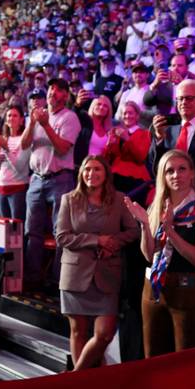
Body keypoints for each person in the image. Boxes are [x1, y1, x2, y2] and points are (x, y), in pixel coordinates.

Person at [125, 149, 195, 357]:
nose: (176, 175)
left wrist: (170, 232)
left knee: (186, 361)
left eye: (182, 169)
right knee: (153, 357)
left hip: (186, 290)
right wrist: (144, 224)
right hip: (153, 289)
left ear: (192, 173)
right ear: (163, 176)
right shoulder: (156, 207)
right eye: (170, 171)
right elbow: (149, 256)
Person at [55, 156, 138, 370]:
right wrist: (96, 240)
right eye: (87, 170)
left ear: (106, 173)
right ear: (81, 173)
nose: (92, 174)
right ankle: (88, 383)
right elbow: (62, 237)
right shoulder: (69, 199)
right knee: (78, 332)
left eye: (97, 169)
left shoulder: (119, 199)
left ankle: (76, 376)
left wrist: (113, 243)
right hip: (75, 274)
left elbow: (133, 231)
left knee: (104, 334)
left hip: (107, 274)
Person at [21, 78, 81, 290]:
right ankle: (32, 278)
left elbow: (63, 148)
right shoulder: (37, 117)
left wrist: (45, 125)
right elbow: (24, 144)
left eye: (57, 92)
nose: (51, 95)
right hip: (36, 179)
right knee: (32, 232)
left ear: (65, 96)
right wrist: (32, 123)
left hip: (60, 179)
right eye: (50, 91)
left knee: (60, 232)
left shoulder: (69, 118)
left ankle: (57, 281)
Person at [148, 79, 195, 205]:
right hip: (171, 200)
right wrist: (159, 138)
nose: (183, 102)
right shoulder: (167, 130)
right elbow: (155, 167)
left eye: (189, 98)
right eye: (180, 98)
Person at [0, 105, 30, 220]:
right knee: (4, 230)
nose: (11, 118)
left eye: (15, 115)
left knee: (16, 230)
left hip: (18, 189)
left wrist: (6, 149)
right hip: (1, 189)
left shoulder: (24, 139)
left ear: (22, 120)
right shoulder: (2, 139)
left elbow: (20, 167)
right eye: (9, 115)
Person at [105, 101, 151, 203]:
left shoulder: (145, 134)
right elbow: (108, 160)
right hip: (115, 177)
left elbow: (140, 158)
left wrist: (127, 139)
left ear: (137, 116)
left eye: (130, 113)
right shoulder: (115, 132)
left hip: (135, 180)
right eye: (124, 113)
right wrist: (109, 145)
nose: (127, 116)